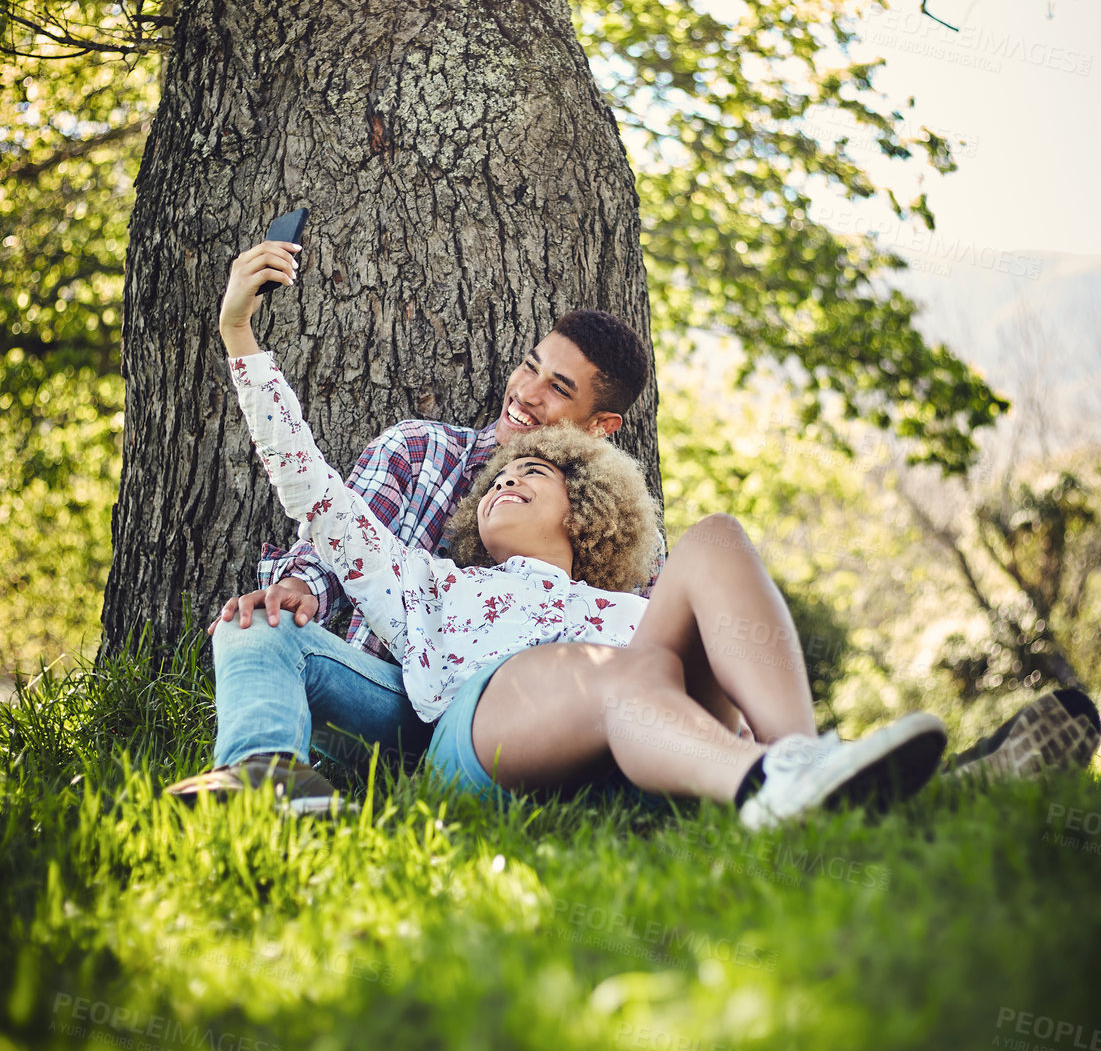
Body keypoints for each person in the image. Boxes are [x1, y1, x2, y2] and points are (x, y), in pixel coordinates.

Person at [167, 243, 949, 823]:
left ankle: (806, 763)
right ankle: (774, 787)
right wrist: (238, 330)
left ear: (583, 501)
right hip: (467, 724)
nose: (504, 474)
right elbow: (310, 488)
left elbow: (712, 667)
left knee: (712, 549)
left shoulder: (628, 604)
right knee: (617, 676)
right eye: (499, 480)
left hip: (615, 705)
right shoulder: (433, 581)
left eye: (531, 475)